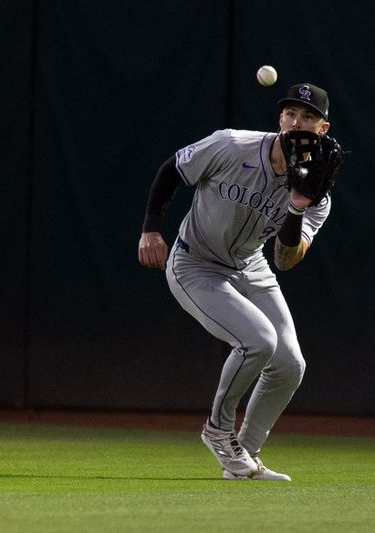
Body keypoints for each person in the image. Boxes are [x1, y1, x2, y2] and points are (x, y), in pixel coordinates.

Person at [138, 83, 335, 481]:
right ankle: (217, 430)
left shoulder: (317, 195)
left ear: (323, 128)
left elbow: (285, 260)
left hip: (252, 267)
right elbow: (173, 169)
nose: (297, 122)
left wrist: (297, 208)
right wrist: (151, 229)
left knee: (290, 365)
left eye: (308, 117)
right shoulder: (232, 145)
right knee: (259, 340)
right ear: (280, 119)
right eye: (291, 113)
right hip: (195, 262)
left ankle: (244, 457)